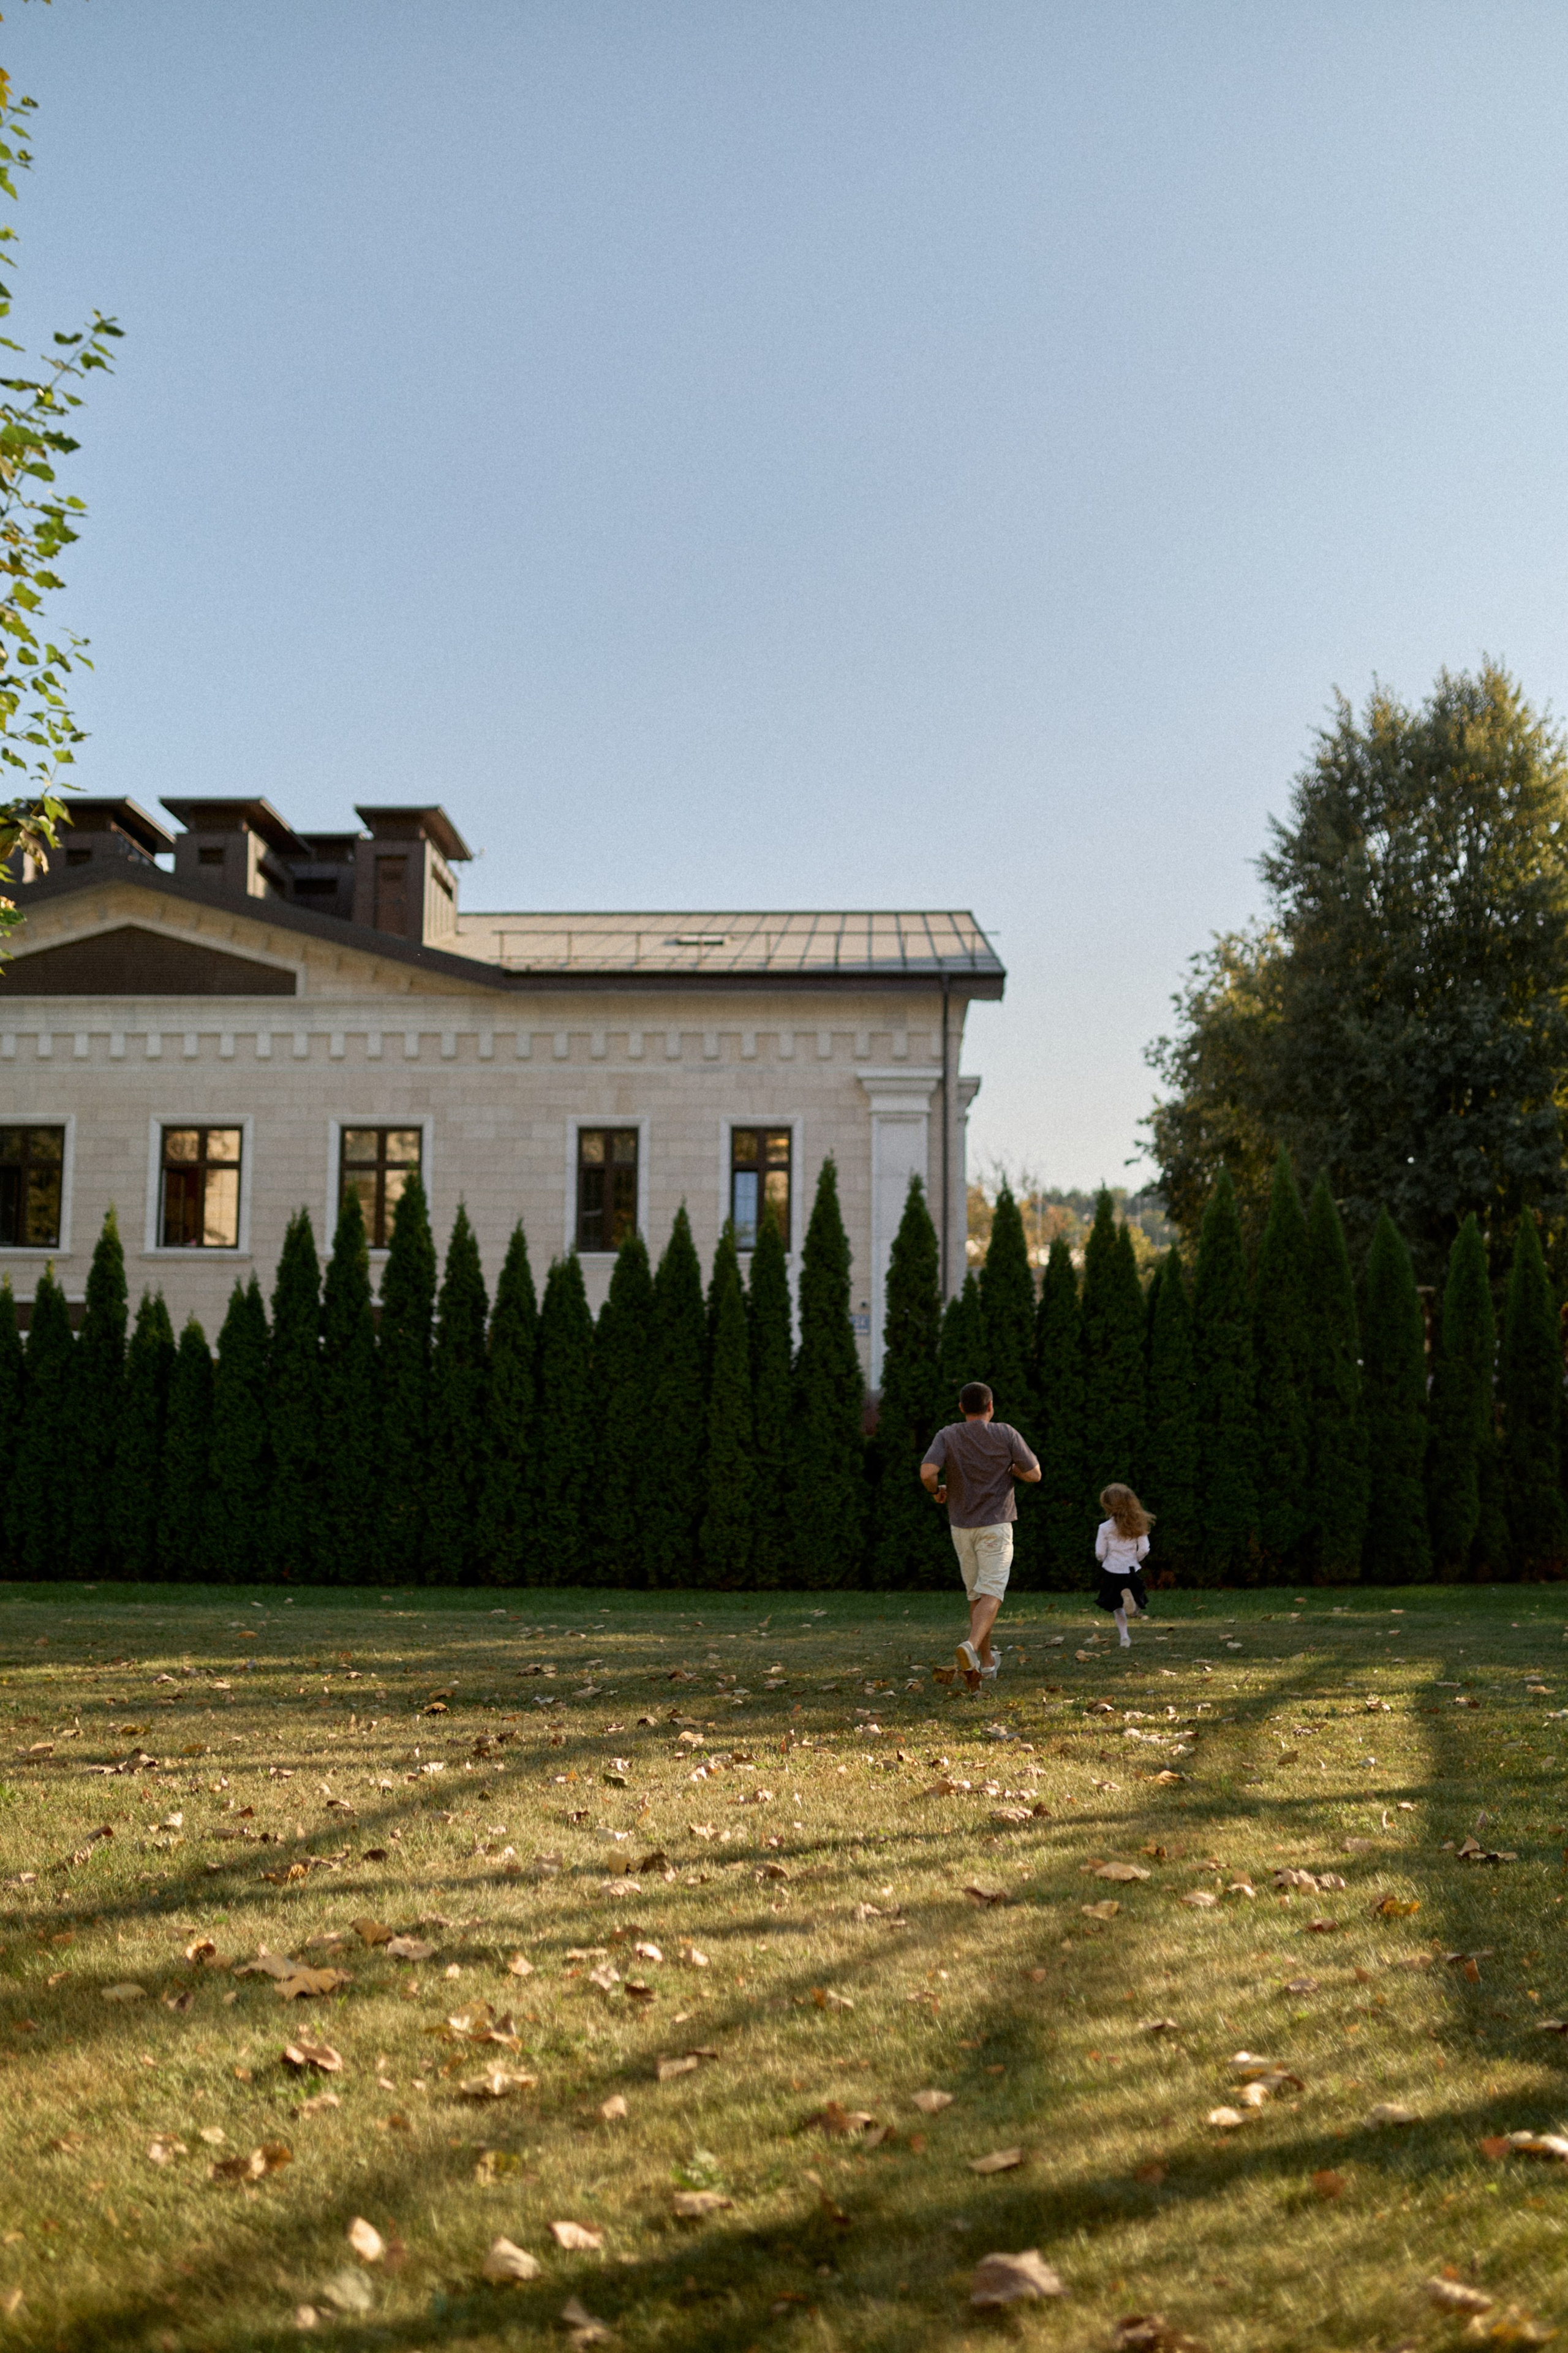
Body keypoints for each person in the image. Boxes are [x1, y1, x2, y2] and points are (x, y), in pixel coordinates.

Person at [921, 1381, 1041, 1689]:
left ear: (961, 1408)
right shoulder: (1005, 1433)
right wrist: (1013, 1469)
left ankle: (985, 1665)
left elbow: (927, 1473)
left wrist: (936, 1491)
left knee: (977, 1595)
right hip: (996, 1526)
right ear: (991, 1406)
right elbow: (1035, 1474)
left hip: (961, 1527)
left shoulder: (948, 1435)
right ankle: (971, 1647)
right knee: (993, 1593)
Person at [1095, 1482, 1154, 1649]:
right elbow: (1144, 1549)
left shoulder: (1105, 1528)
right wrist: (1135, 1559)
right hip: (1130, 1569)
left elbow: (1100, 1553)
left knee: (1117, 1606)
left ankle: (1125, 1637)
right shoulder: (1138, 1524)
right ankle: (1133, 1606)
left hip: (1113, 1570)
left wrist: (1104, 1560)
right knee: (1135, 1599)